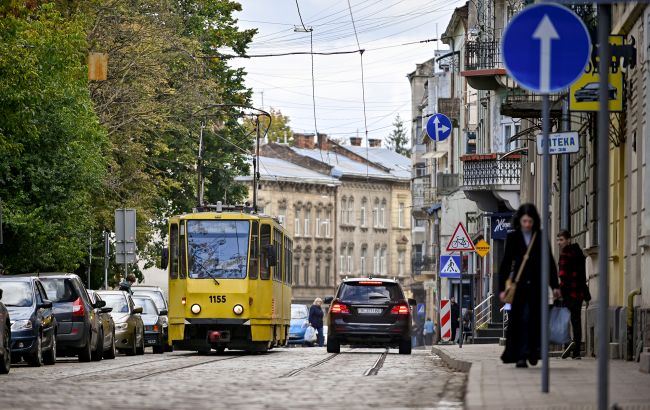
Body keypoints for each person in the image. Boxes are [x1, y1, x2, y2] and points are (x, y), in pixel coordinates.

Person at [498, 203, 560, 368]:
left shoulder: (539, 237)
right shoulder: (513, 238)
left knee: (535, 320)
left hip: (536, 287)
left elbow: (549, 262)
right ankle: (521, 355)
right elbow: (505, 264)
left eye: (530, 222)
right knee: (521, 320)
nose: (527, 225)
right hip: (519, 288)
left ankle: (533, 351)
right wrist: (502, 289)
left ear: (534, 221)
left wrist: (555, 286)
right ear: (519, 221)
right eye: (524, 221)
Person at [557, 230, 591, 359]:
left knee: (564, 320)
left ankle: (567, 345)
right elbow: (582, 275)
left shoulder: (565, 254)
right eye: (558, 240)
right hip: (579, 292)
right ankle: (576, 352)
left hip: (568, 293)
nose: (559, 243)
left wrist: (560, 290)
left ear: (568, 240)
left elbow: (563, 276)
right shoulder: (579, 253)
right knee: (576, 321)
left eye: (561, 240)